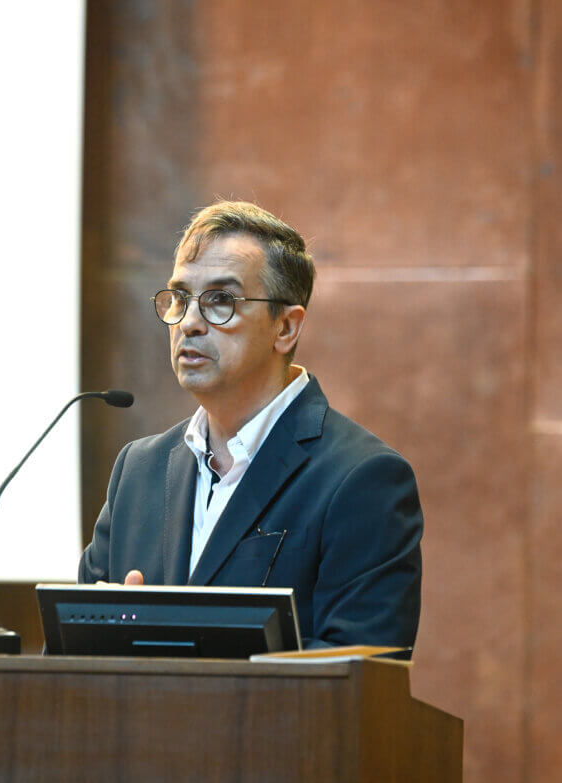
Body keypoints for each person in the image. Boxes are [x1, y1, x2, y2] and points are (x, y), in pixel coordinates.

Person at [79, 201, 423, 649]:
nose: (190, 323)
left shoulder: (362, 479)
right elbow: (67, 653)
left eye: (221, 300)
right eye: (180, 298)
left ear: (286, 327)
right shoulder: (139, 472)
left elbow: (360, 671)